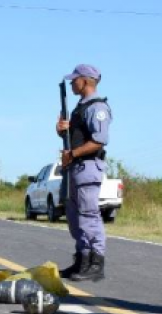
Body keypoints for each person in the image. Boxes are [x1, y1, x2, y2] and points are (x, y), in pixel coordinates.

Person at [55, 64, 112, 282]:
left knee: (89, 216)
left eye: (75, 79)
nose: (72, 83)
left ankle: (96, 263)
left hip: (87, 167)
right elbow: (76, 138)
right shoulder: (80, 108)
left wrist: (72, 153)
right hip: (74, 168)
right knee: (74, 218)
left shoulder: (97, 107)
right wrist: (63, 131)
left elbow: (99, 140)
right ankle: (82, 260)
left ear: (86, 80)